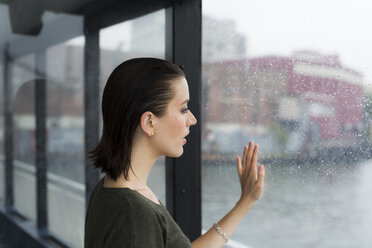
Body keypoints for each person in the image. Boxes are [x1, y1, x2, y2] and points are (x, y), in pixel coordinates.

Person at [84, 58, 265, 248]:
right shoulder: (134, 213)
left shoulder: (112, 191)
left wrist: (245, 201)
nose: (192, 120)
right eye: (183, 109)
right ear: (149, 122)